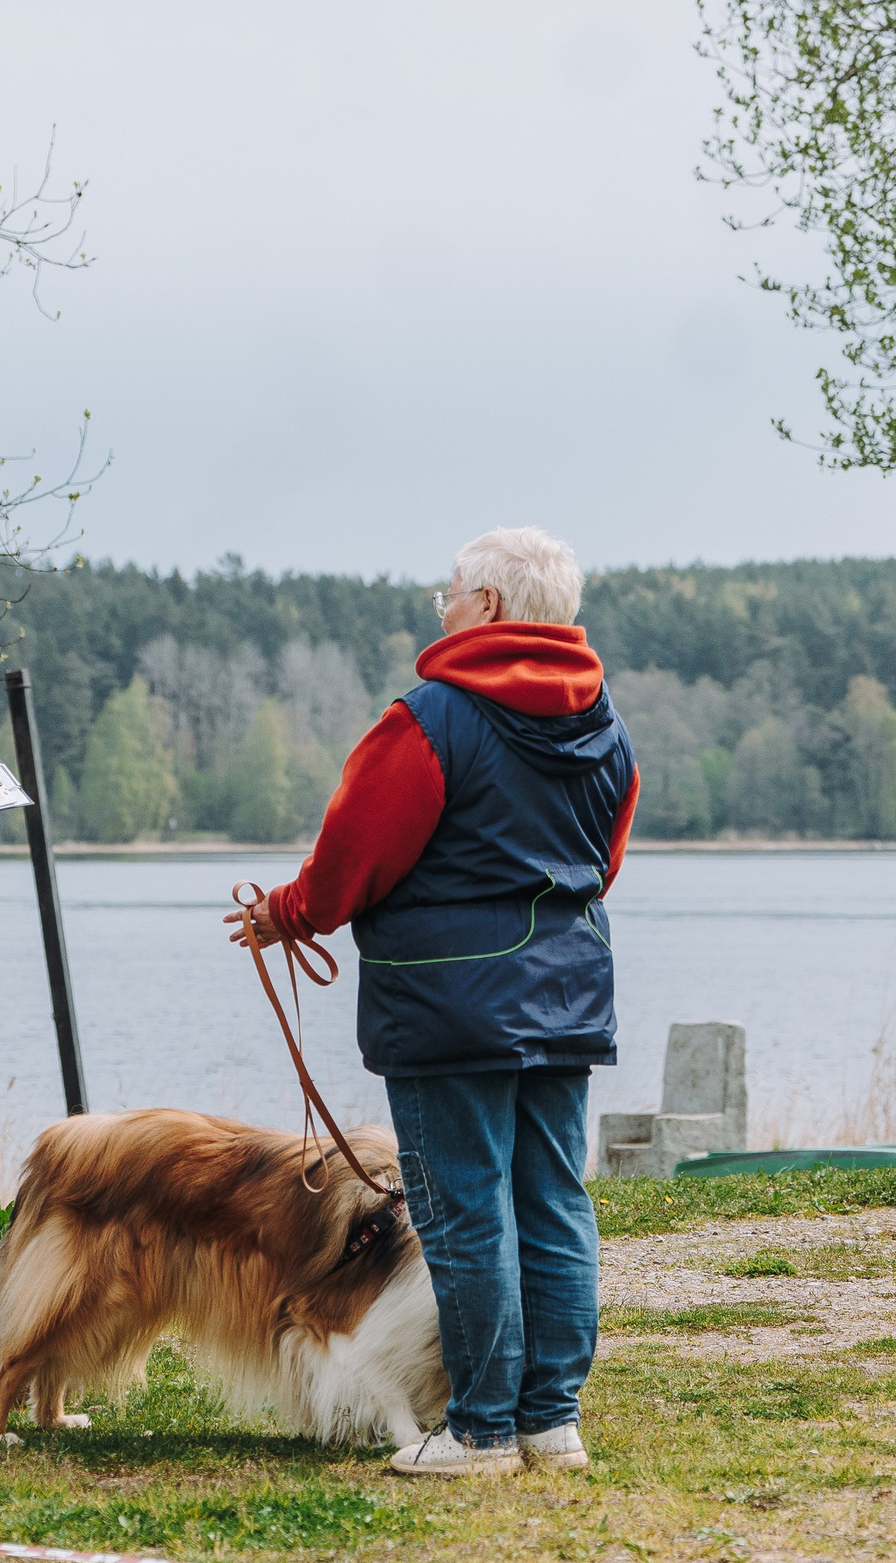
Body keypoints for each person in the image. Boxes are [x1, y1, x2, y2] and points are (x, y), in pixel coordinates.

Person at [230, 527, 638, 1477]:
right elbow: (601, 865)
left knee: (465, 1213)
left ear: (488, 606)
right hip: (569, 990)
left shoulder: (429, 720)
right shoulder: (605, 726)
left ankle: (482, 1430)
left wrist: (285, 917)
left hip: (450, 1006)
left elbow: (348, 864)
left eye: (448, 593)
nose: (442, 607)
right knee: (554, 1202)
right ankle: (552, 1424)